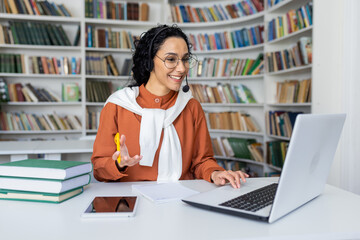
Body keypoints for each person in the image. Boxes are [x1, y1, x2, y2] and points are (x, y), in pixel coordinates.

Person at [91, 24, 249, 189]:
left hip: (182, 199)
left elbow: (202, 161)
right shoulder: (117, 105)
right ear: (149, 61)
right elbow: (99, 170)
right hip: (131, 201)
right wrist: (118, 163)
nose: (181, 69)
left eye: (185, 59)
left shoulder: (191, 107)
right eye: (171, 59)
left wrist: (214, 173)